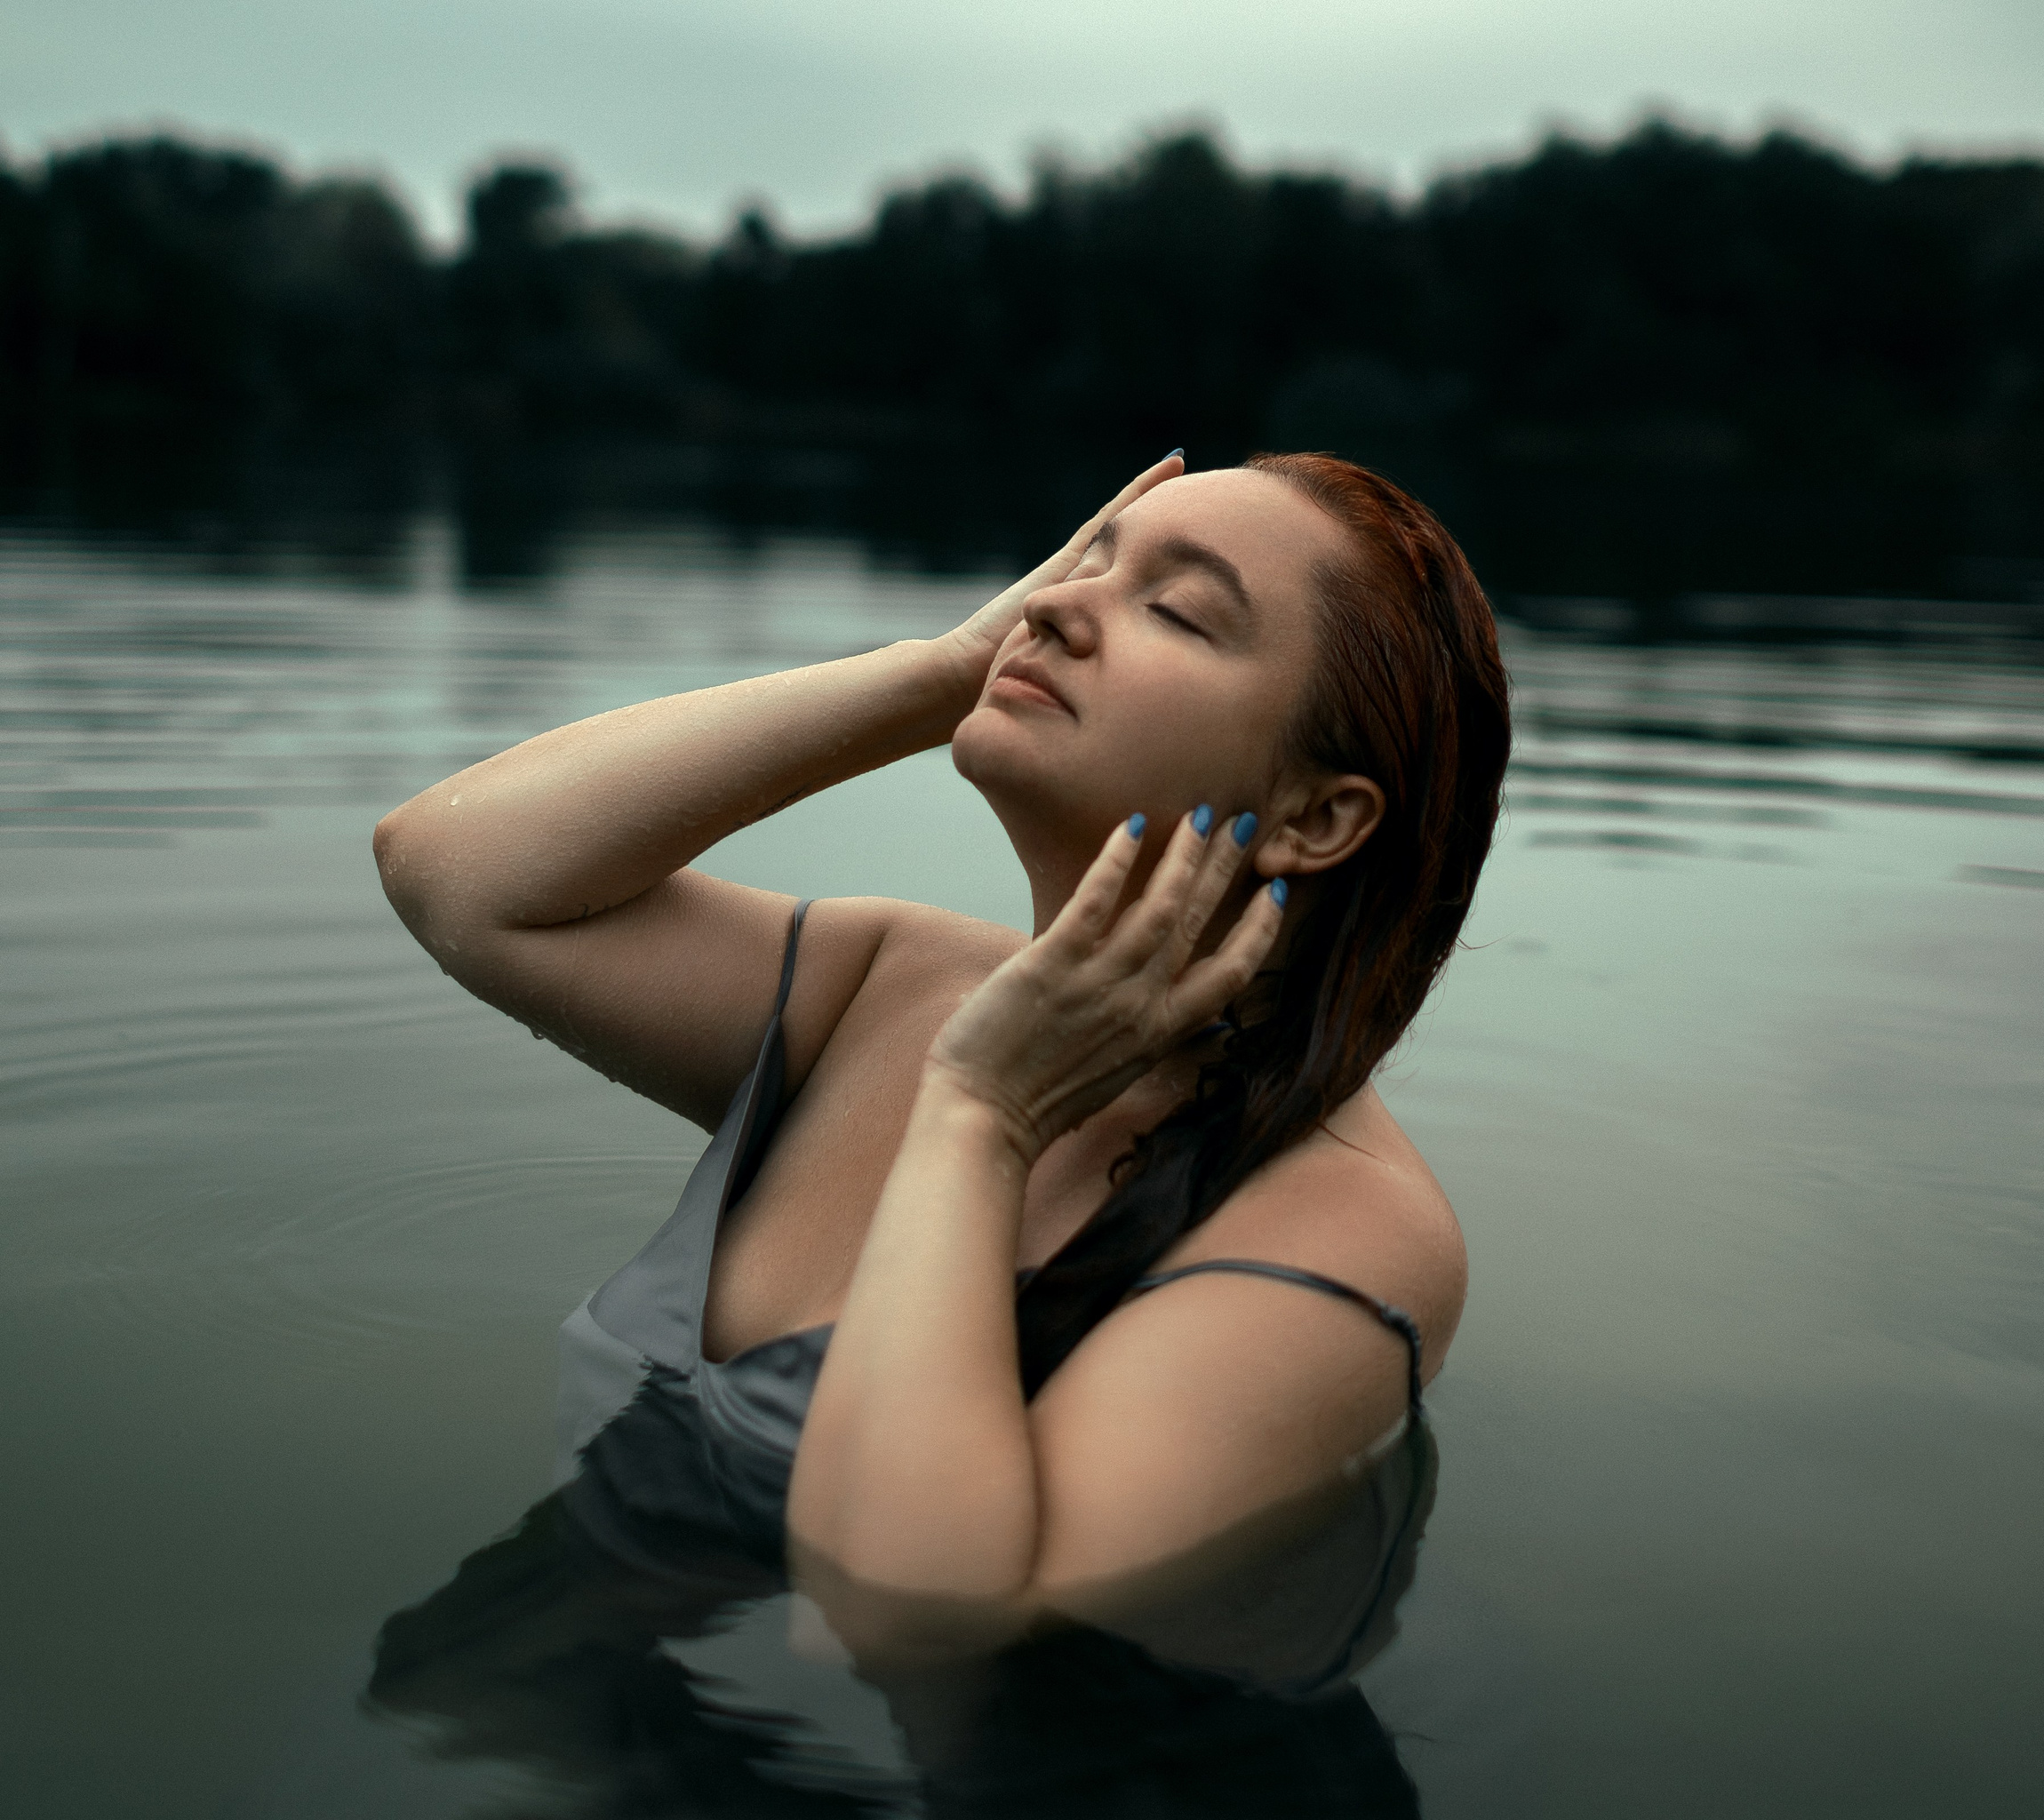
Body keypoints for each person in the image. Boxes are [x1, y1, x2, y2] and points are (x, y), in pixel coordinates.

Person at [371, 450, 1511, 1661]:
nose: (1057, 605)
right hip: (567, 1696)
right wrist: (946, 675)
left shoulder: (1346, 1231)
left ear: (1315, 818)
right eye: (1085, 566)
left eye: (1174, 609)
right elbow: (459, 875)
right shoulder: (893, 986)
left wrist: (983, 1117)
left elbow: (905, 1615)